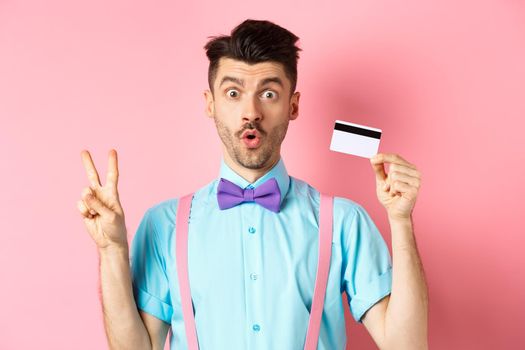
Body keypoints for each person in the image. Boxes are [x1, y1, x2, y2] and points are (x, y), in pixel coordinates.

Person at [77, 19, 428, 350]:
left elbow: (405, 345)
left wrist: (401, 220)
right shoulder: (163, 224)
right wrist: (111, 251)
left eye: (269, 94)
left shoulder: (345, 221)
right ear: (210, 104)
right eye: (233, 93)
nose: (251, 112)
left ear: (293, 105)